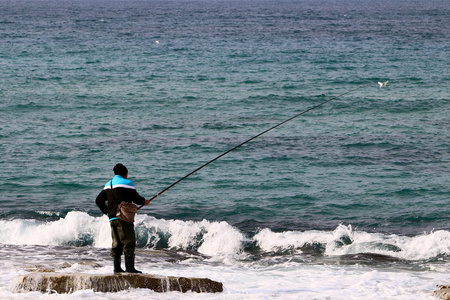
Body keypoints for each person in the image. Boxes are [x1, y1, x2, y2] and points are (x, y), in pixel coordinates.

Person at [95, 163, 151, 273]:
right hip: (123, 217)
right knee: (128, 241)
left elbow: (99, 201)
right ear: (125, 173)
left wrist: (108, 213)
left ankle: (117, 268)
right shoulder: (127, 183)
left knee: (116, 243)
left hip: (112, 219)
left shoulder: (108, 184)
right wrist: (145, 202)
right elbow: (137, 199)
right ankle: (130, 268)